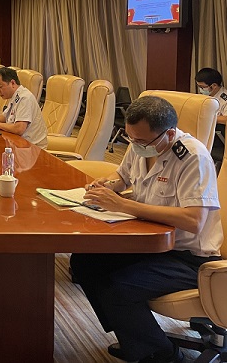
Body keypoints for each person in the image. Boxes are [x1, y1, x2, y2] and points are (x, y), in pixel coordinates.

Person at [70, 96, 222, 363]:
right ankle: (133, 336)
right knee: (84, 262)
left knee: (118, 289)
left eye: (141, 141)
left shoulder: (192, 158)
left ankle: (165, 356)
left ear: (170, 134)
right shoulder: (141, 143)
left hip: (188, 257)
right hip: (151, 242)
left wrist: (124, 205)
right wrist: (108, 185)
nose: (134, 145)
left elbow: (193, 220)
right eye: (130, 138)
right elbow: (123, 176)